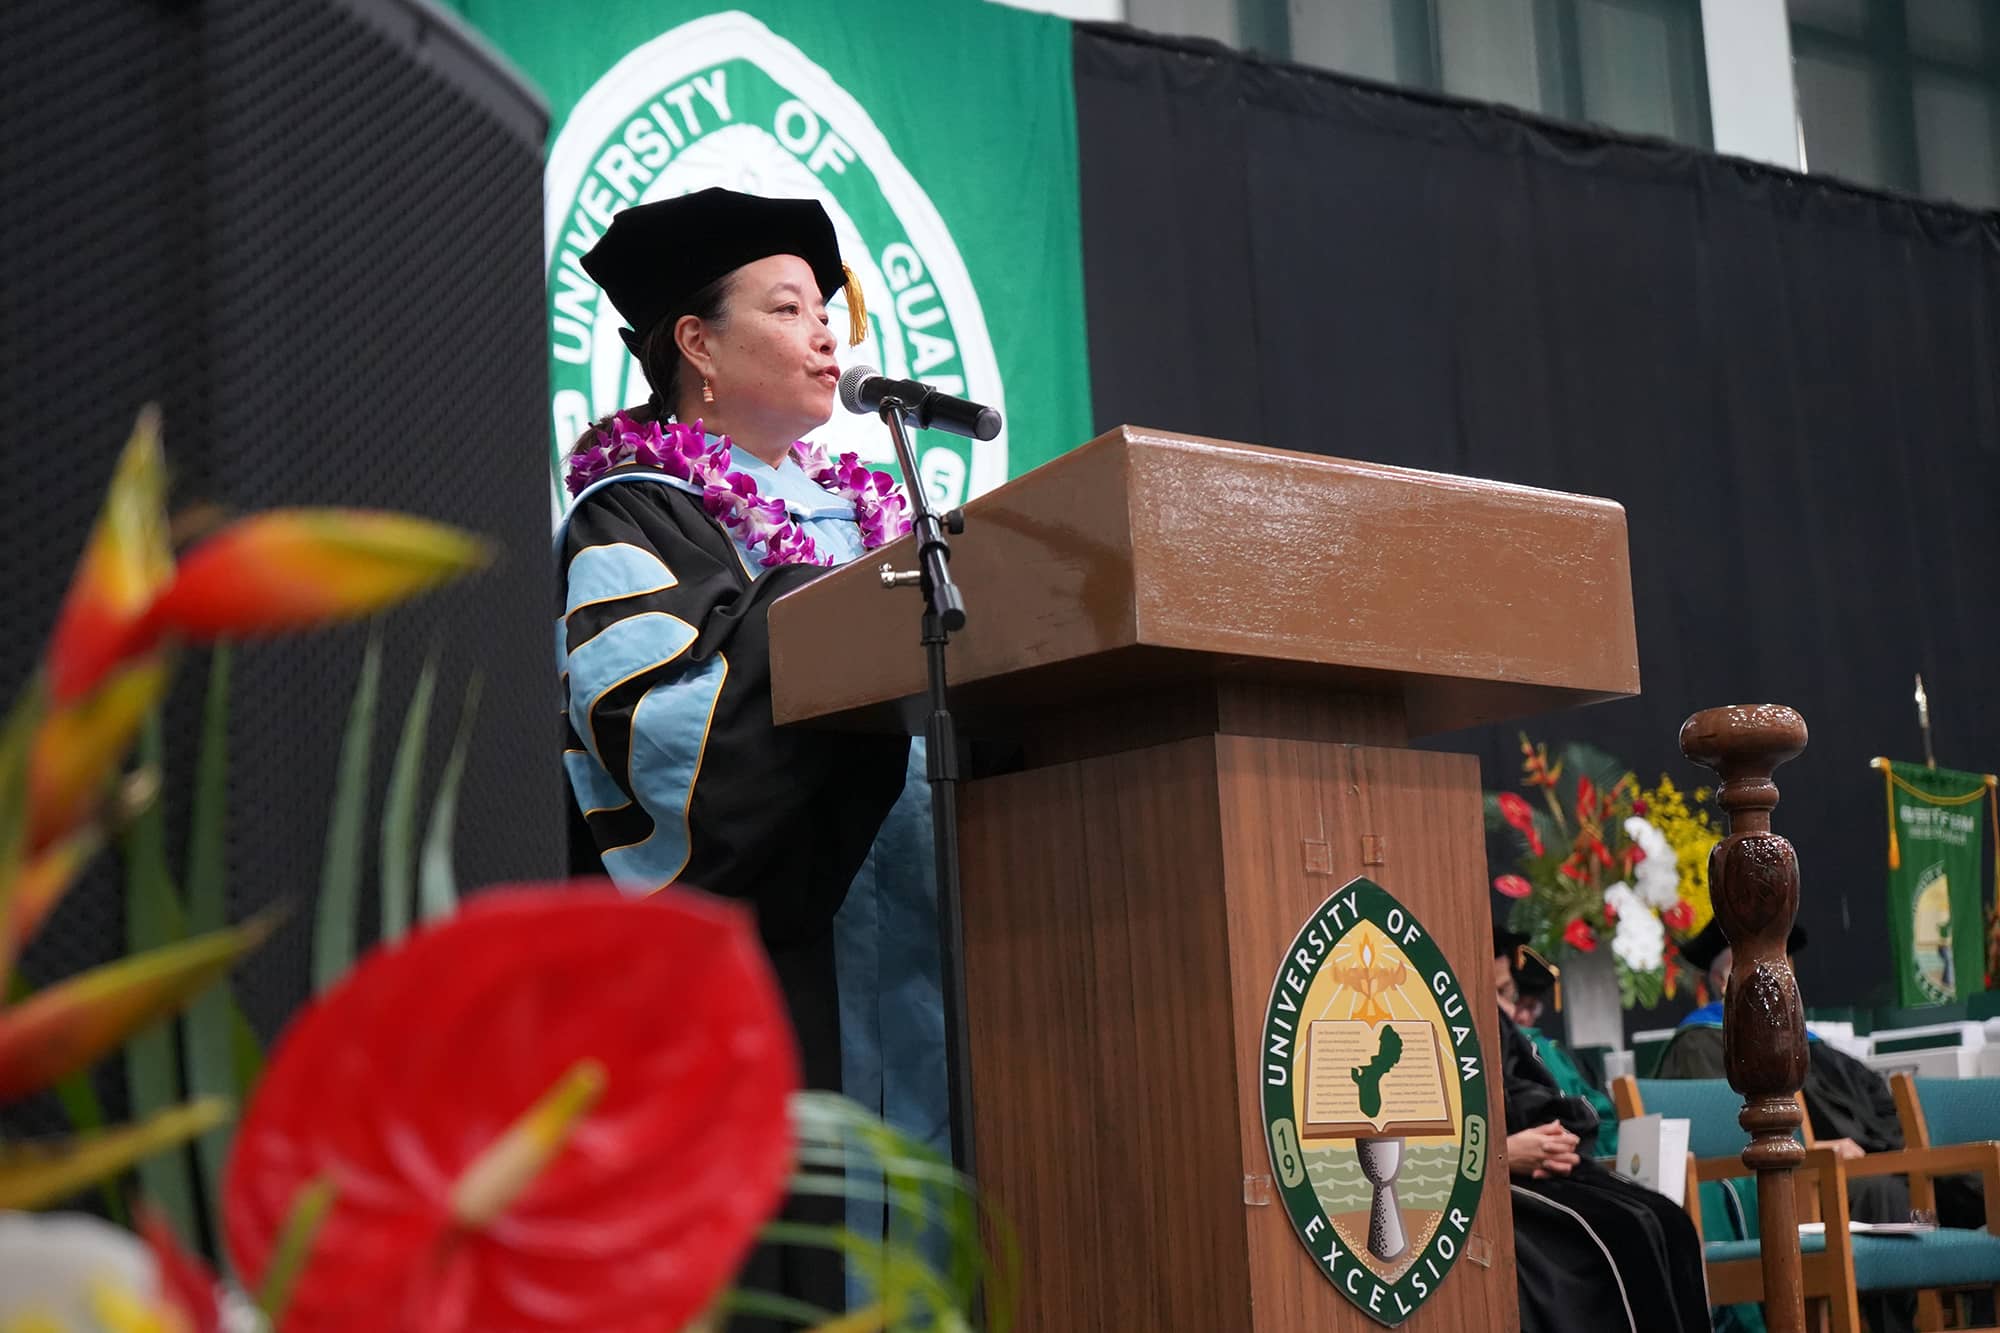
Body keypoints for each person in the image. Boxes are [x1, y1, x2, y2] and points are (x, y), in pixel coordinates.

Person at [554, 188, 944, 1323]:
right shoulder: (631, 518)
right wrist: (835, 630)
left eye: (829, 307)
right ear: (695, 344)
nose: (829, 330)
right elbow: (677, 744)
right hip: (767, 1005)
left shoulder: (880, 523)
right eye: (788, 307)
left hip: (924, 984)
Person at [1656, 920, 1988, 1333]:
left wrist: (1895, 1153)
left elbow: (1881, 1113)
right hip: (1796, 1183)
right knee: (1886, 1193)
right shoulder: (1703, 1043)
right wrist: (1822, 1148)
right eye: (1772, 966)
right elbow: (1724, 1129)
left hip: (1866, 1167)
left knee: (1971, 1188)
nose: (1786, 980)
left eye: (1787, 968)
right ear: (1725, 980)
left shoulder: (1812, 1045)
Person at [1497, 927, 1711, 1333]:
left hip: (1537, 1168)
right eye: (1500, 995)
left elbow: (1532, 1097)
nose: (1509, 1014)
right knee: (1612, 1238)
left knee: (1667, 1221)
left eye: (1508, 995)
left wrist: (1553, 1135)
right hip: (1492, 1183)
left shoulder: (1511, 1038)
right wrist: (1501, 1152)